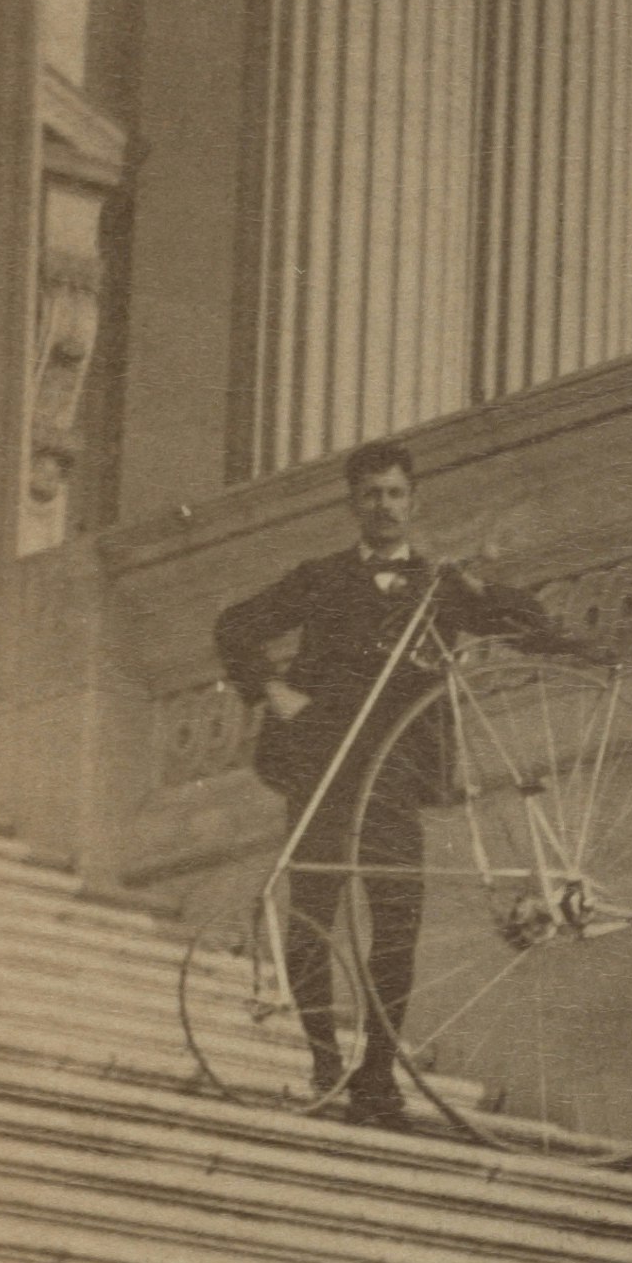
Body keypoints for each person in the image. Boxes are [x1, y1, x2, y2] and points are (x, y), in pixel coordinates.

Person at [212, 444, 552, 1126]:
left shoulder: (439, 585)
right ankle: (323, 1066)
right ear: (353, 505)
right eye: (371, 495)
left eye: (396, 495)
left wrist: (486, 588)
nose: (385, 507)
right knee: (312, 915)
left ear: (414, 501)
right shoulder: (322, 578)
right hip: (324, 770)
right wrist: (271, 691)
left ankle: (376, 1077)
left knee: (397, 925)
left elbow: (524, 623)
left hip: (395, 777)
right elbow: (234, 627)